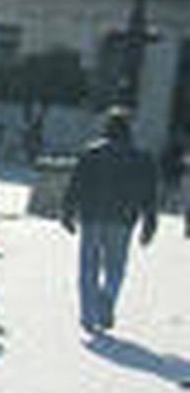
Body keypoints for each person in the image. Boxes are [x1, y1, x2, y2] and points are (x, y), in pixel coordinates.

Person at [61, 107, 157, 332]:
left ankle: (87, 315)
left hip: (92, 216)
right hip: (123, 220)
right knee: (116, 267)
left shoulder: (91, 152)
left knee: (88, 266)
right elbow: (150, 194)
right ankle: (106, 298)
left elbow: (75, 185)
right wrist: (149, 224)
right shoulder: (142, 157)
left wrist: (67, 211)